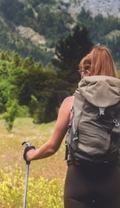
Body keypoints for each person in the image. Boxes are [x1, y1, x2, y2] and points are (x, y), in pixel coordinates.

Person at [23, 45, 120, 208]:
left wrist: (30, 155)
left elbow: (51, 148)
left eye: (82, 72)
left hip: (78, 181)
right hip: (113, 182)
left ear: (87, 73)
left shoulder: (71, 103)